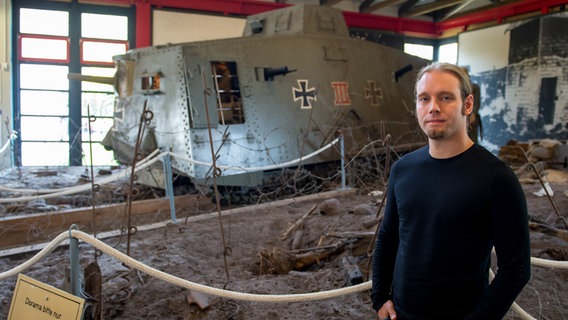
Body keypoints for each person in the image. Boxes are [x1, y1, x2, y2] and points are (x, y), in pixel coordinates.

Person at [370, 62, 531, 320]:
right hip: (398, 314)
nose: (433, 107)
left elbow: (516, 268)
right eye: (424, 99)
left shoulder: (496, 178)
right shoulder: (403, 169)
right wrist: (379, 297)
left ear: (467, 105)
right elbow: (388, 236)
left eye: (445, 97)